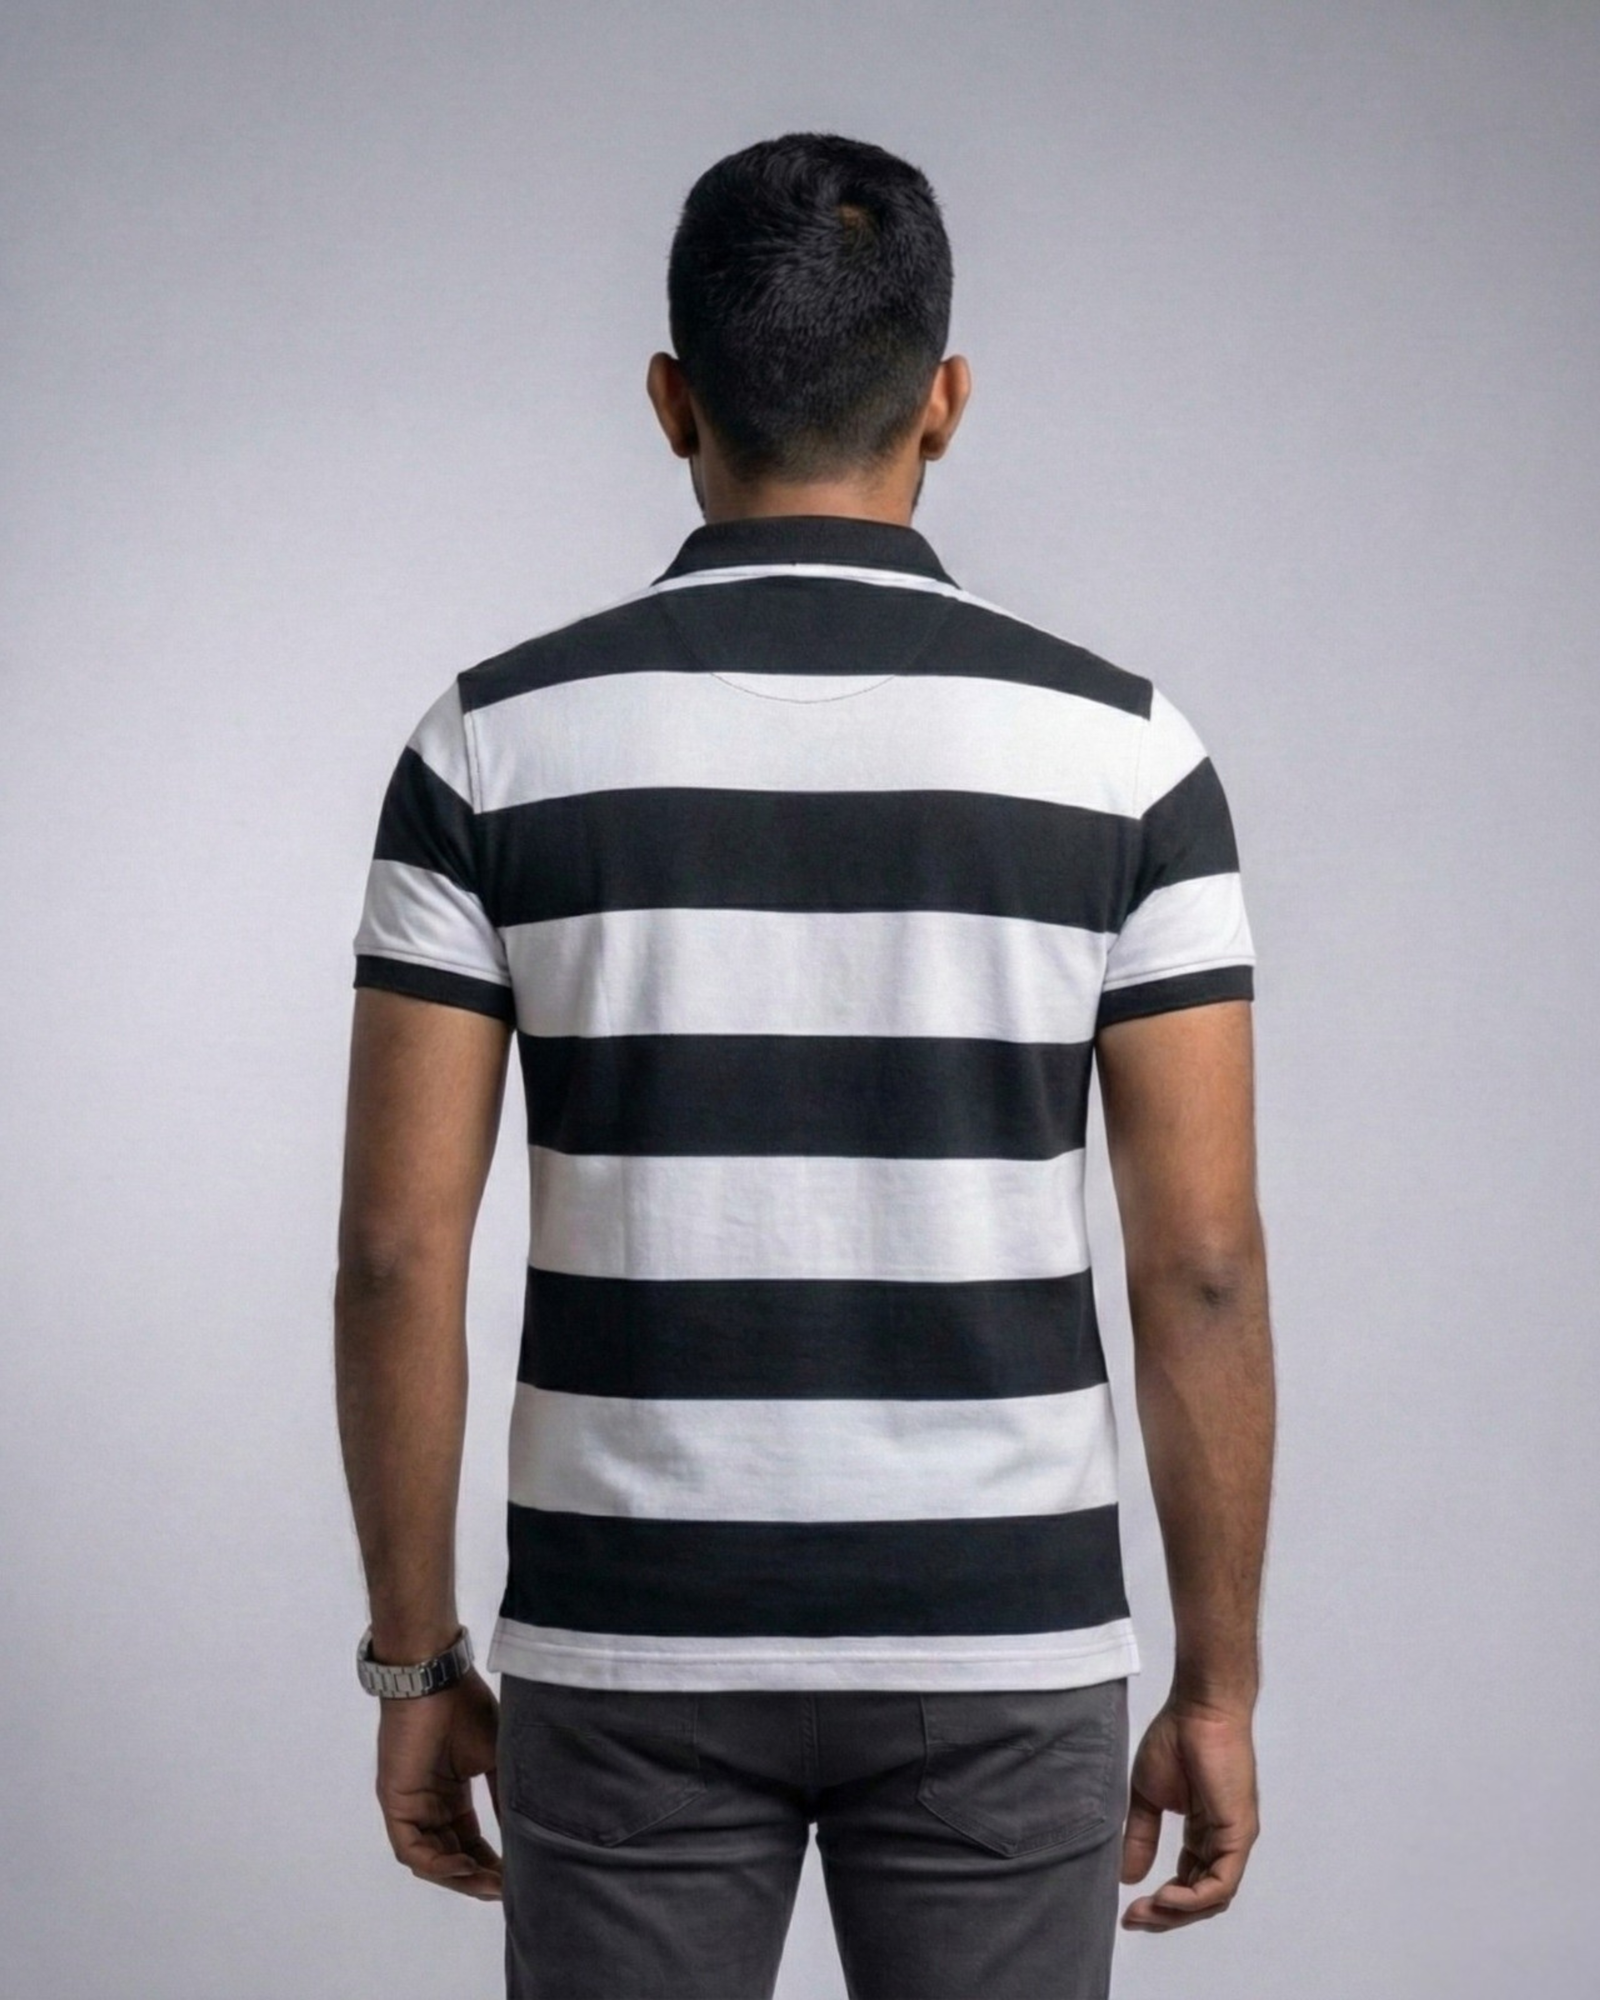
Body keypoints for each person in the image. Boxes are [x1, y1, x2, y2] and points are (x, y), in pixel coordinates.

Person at [335, 129, 1274, 2000]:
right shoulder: (1129, 759)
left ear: (671, 400)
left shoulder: (491, 746)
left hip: (630, 1631)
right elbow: (1202, 1267)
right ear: (944, 403)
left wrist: (418, 1657)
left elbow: (394, 1255)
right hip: (1001, 1635)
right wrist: (1220, 1686)